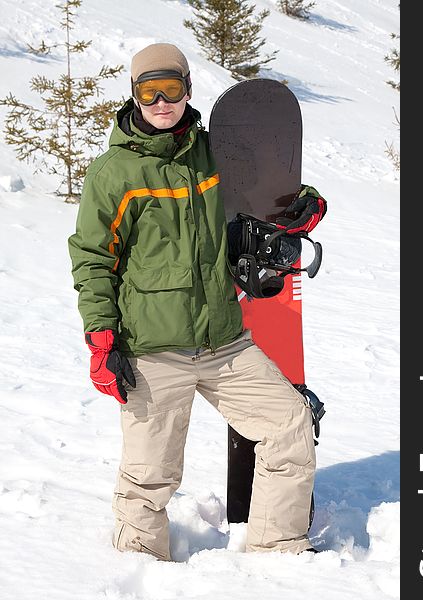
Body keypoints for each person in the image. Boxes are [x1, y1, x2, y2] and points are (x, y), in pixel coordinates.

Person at [68, 43, 327, 561]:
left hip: (224, 344)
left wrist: (301, 209)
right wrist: (102, 339)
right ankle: (138, 571)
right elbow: (92, 259)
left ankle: (278, 554)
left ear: (189, 90)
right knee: (149, 475)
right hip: (153, 348)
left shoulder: (218, 154)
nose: (161, 101)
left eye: (172, 88)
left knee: (291, 426)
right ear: (135, 97)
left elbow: (273, 190)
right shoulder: (114, 173)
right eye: (149, 91)